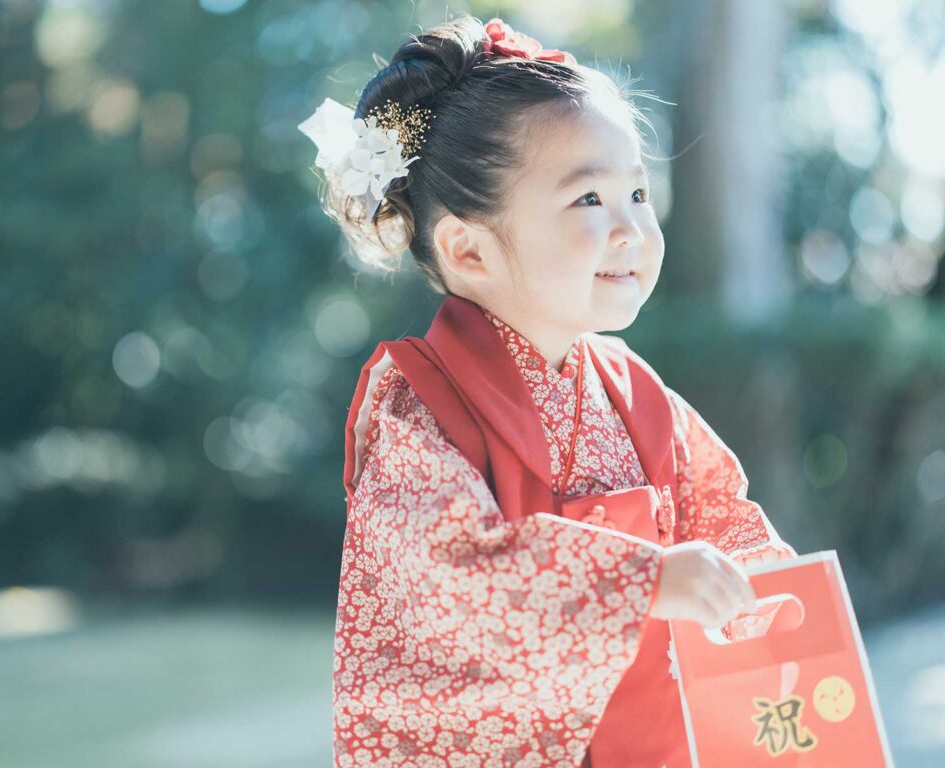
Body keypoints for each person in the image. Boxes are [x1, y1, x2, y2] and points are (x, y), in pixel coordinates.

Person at [298, 14, 798, 767]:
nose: (630, 228)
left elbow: (725, 521)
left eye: (638, 192)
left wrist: (777, 593)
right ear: (467, 248)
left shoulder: (637, 395)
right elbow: (449, 574)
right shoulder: (422, 404)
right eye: (589, 200)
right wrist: (645, 579)